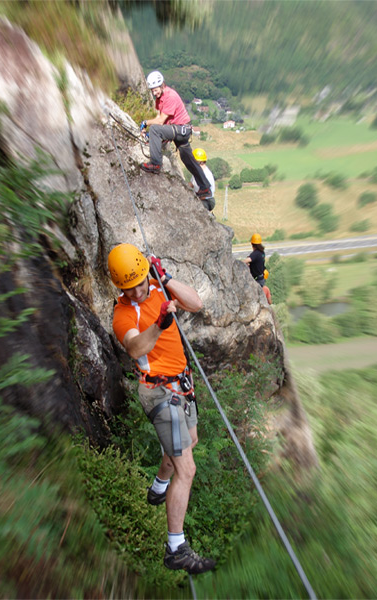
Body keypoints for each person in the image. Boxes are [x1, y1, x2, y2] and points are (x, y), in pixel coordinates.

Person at [108, 243, 216, 575]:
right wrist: (159, 324)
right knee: (187, 469)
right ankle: (176, 548)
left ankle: (157, 487)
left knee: (190, 442)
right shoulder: (123, 314)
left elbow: (195, 303)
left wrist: (164, 276)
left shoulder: (156, 285)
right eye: (131, 287)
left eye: (141, 281)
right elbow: (134, 346)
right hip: (157, 392)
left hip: (182, 384)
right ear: (120, 287)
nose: (139, 290)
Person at [139, 71, 213, 201]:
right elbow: (161, 117)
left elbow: (161, 121)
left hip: (181, 129)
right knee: (188, 160)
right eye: (152, 91)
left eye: (156, 90)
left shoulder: (170, 96)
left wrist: (146, 123)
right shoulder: (160, 98)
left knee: (156, 129)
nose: (154, 93)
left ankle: (155, 164)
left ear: (162, 85)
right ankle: (205, 187)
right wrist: (151, 137)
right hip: (180, 130)